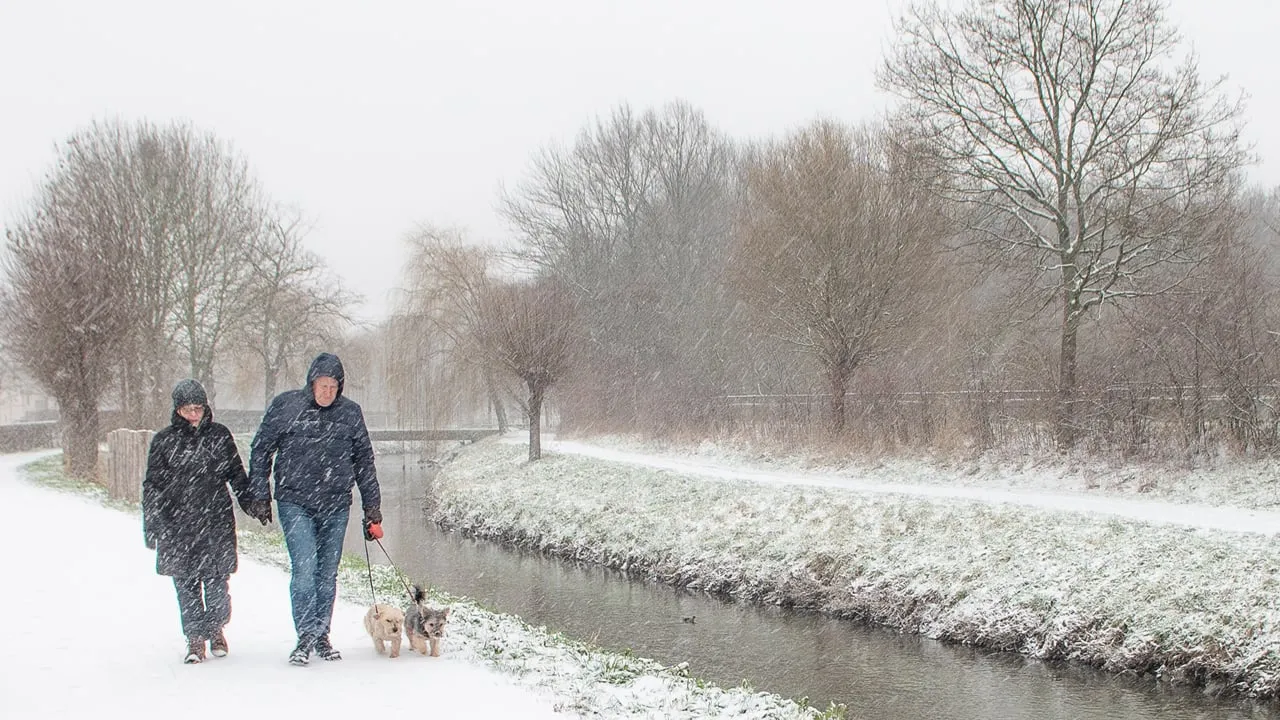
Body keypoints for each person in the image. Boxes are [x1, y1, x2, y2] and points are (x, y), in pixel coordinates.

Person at [247, 352, 381, 666]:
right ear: (312, 383)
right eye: (322, 385)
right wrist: (259, 493)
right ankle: (305, 636)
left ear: (340, 387)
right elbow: (262, 448)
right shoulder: (287, 406)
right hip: (295, 502)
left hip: (335, 505)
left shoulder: (350, 413)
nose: (327, 392)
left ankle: (322, 635)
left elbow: (364, 461)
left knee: (327, 574)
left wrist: (372, 507)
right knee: (305, 571)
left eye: (333, 386)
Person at [142, 378, 265, 664]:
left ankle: (216, 627)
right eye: (188, 409)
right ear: (178, 410)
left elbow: (236, 474)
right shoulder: (164, 441)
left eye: (198, 408)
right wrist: (152, 523)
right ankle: (195, 639)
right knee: (186, 585)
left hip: (215, 521)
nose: (194, 414)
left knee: (217, 583)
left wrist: (252, 504)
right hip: (178, 524)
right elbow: (153, 485)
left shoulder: (219, 436)